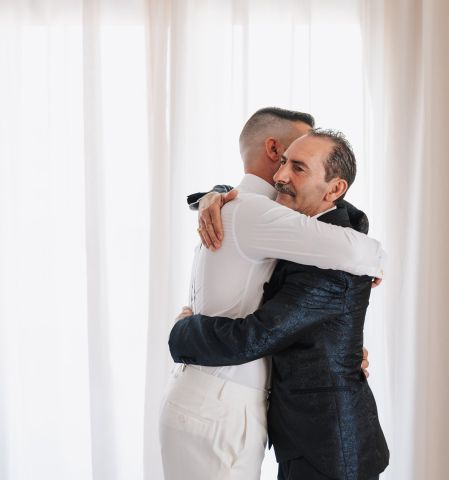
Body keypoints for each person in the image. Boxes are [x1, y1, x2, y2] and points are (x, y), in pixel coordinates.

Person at [158, 107, 385, 480]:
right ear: (273, 149)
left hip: (324, 440)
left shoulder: (297, 235)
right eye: (285, 161)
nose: (282, 174)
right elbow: (352, 243)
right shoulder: (258, 215)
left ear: (335, 188)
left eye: (298, 166)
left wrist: (184, 330)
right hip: (232, 409)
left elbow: (265, 332)